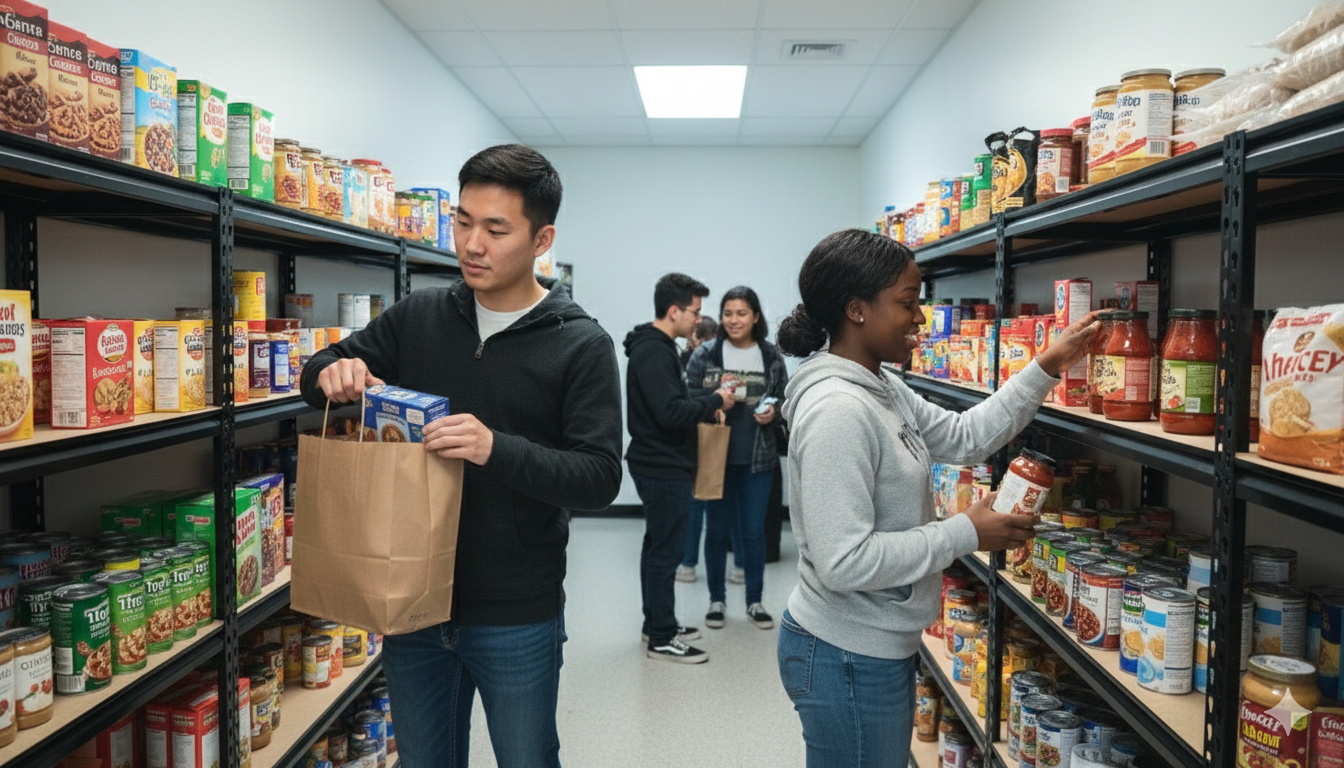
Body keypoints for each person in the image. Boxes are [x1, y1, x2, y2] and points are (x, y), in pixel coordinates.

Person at [300, 144, 623, 768]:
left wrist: (494, 448)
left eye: (495, 229)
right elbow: (320, 368)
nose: (472, 244)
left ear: (541, 238)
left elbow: (599, 476)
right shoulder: (421, 316)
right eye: (463, 222)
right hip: (411, 598)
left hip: (515, 610)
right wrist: (334, 375)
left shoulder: (581, 345)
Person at [773, 229, 1098, 767]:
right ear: (856, 310)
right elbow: (842, 560)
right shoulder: (838, 411)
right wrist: (965, 533)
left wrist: (1045, 366)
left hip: (874, 645)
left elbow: (966, 436)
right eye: (907, 303)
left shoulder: (881, 386)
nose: (920, 318)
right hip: (845, 652)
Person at [624, 274, 735, 663]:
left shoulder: (656, 347)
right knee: (665, 552)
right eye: (695, 312)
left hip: (659, 463)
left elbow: (670, 401)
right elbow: (670, 413)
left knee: (656, 547)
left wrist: (706, 399)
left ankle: (656, 622)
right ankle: (662, 636)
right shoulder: (654, 352)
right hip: (661, 465)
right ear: (674, 311)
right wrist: (715, 400)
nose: (697, 319)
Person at [687, 286, 789, 631]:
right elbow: (689, 397)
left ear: (756, 317)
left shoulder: (770, 354)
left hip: (758, 460)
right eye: (728, 313)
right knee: (715, 531)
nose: (733, 320)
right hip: (716, 456)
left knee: (753, 533)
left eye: (741, 313)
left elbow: (785, 399)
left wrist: (773, 410)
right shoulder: (706, 353)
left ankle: (755, 601)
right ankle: (717, 600)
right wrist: (714, 401)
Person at [677, 318, 736, 584]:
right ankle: (695, 563)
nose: (695, 346)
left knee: (700, 501)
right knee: (712, 502)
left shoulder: (693, 363)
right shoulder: (694, 361)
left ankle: (689, 564)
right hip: (713, 434)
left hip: (705, 434)